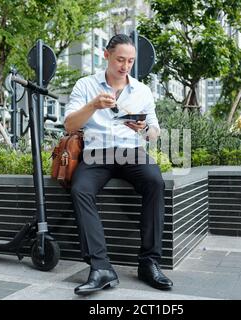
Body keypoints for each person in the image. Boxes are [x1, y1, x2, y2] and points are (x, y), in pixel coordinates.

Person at [64, 34, 173, 295]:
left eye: (130, 61)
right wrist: (92, 106)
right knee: (80, 189)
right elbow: (69, 125)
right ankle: (101, 268)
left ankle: (149, 262)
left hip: (131, 151)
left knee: (155, 182)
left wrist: (143, 127)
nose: (125, 66)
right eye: (120, 59)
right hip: (97, 153)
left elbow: (154, 132)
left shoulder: (142, 90)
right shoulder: (86, 85)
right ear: (107, 56)